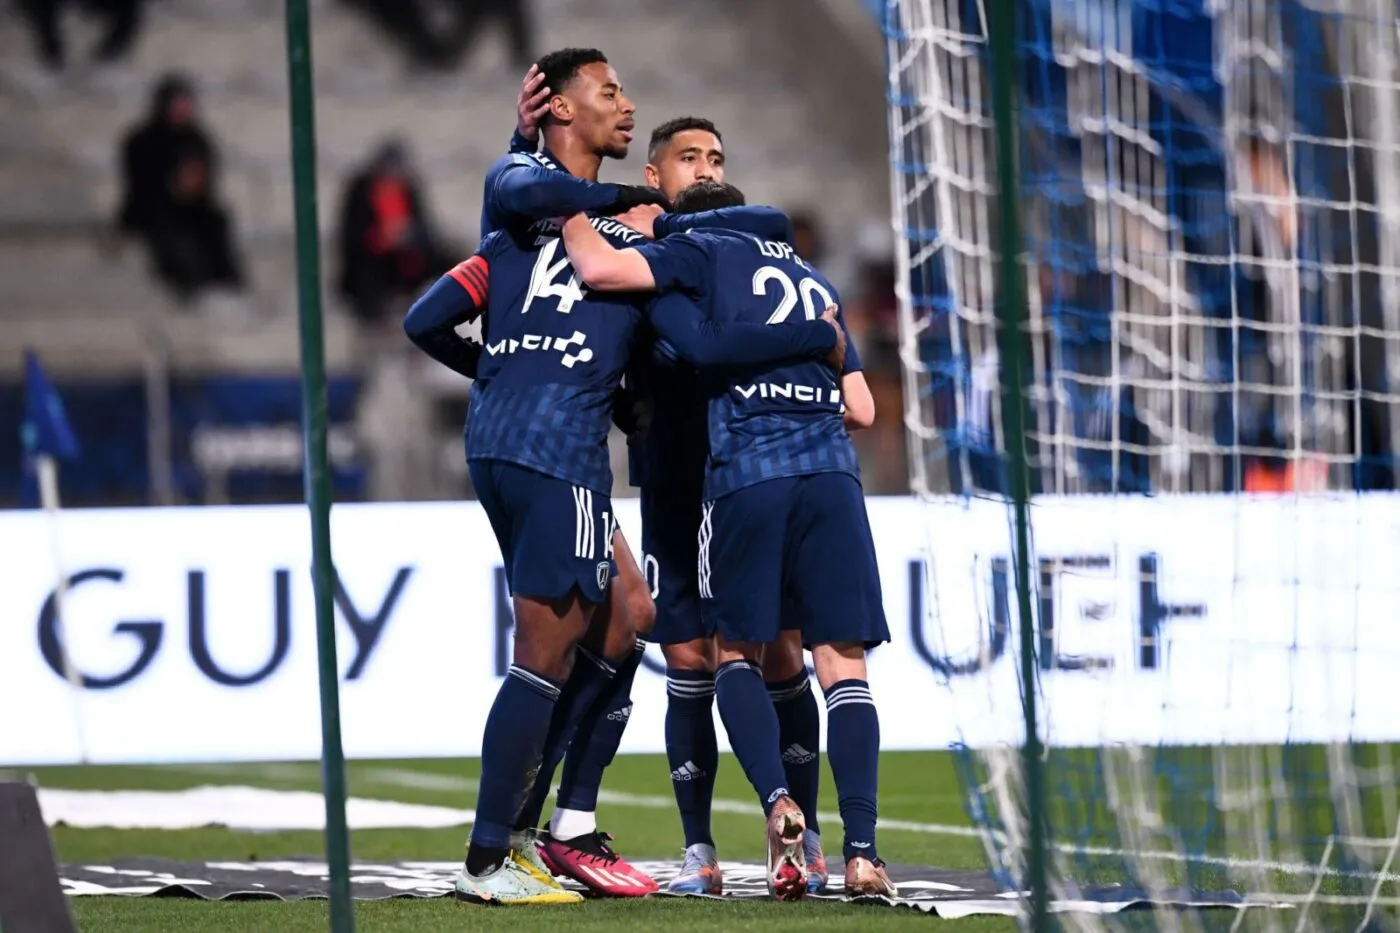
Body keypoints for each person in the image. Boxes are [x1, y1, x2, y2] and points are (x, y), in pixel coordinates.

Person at [416, 48, 842, 906]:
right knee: (543, 654)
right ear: (563, 111)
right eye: (609, 92)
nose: (626, 102)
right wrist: (816, 335)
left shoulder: (514, 223)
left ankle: (562, 822)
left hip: (510, 438)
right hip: (558, 448)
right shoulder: (622, 228)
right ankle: (494, 854)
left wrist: (499, 367)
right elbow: (698, 336)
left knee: (628, 616)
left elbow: (430, 317)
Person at [558, 179, 896, 901]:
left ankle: (777, 802)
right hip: (833, 476)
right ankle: (863, 853)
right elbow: (863, 408)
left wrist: (572, 206)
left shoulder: (697, 252)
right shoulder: (811, 276)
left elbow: (669, 319)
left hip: (748, 476)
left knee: (734, 653)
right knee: (843, 664)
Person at [115, 74, 244, 303]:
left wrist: (194, 186)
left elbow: (207, 180)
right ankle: (189, 283)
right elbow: (139, 186)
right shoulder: (142, 140)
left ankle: (225, 282)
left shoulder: (197, 139)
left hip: (194, 207)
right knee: (170, 231)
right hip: (152, 209)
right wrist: (171, 186)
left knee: (215, 222)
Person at [336, 140, 450, 326]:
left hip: (406, 257)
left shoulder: (408, 189)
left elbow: (425, 227)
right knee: (367, 274)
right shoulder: (361, 190)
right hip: (371, 260)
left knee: (447, 260)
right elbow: (352, 238)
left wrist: (407, 235)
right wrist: (381, 238)